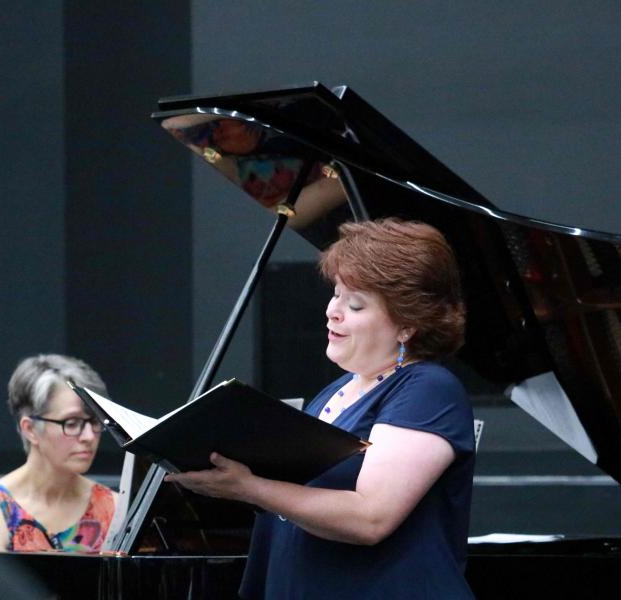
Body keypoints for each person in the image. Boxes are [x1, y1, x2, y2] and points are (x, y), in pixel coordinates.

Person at [166, 218, 475, 599]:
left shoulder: (428, 388)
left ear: (407, 326)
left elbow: (370, 517)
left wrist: (251, 487)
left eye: (355, 304)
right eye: (336, 294)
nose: (333, 311)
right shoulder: (336, 391)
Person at [0, 354, 118, 553]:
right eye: (71, 423)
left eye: (95, 422)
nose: (89, 436)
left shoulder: (114, 509)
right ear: (30, 429)